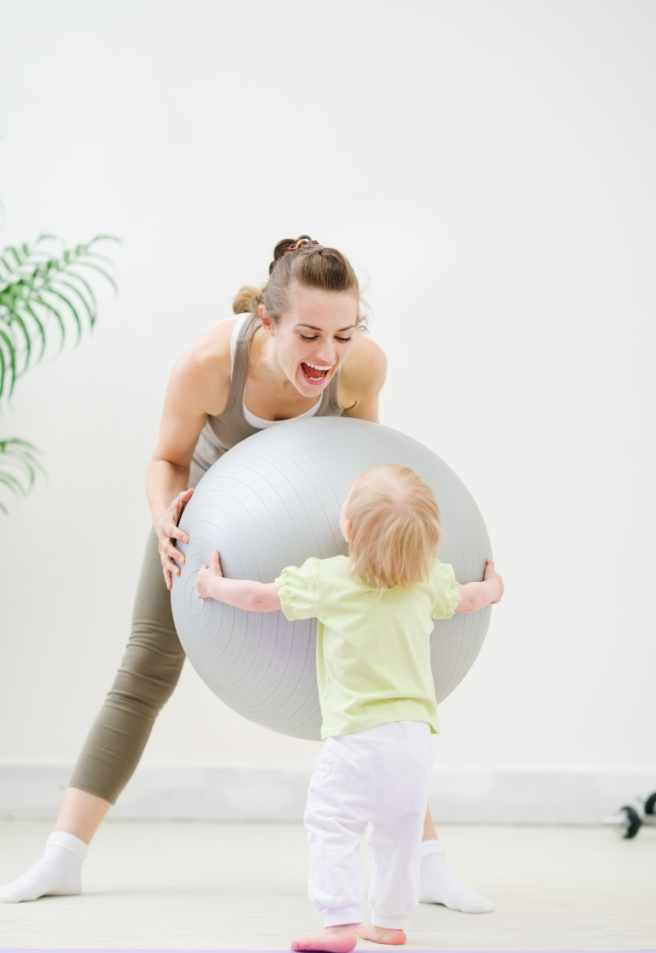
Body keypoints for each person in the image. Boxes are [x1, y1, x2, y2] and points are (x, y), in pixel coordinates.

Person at [0, 237, 493, 915]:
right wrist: (165, 520)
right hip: (207, 515)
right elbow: (165, 459)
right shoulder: (210, 364)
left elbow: (362, 464)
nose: (326, 355)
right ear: (268, 320)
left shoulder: (360, 367)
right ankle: (62, 856)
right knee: (145, 667)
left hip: (312, 516)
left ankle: (425, 866)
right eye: (309, 335)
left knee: (378, 675)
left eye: (343, 335)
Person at [195, 463, 504, 953]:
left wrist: (212, 586)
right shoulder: (428, 580)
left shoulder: (330, 578)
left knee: (331, 821)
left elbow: (258, 598)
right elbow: (469, 600)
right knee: (399, 832)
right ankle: (388, 920)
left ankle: (338, 923)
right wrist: (495, 589)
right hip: (416, 737)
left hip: (359, 736)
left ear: (349, 529)